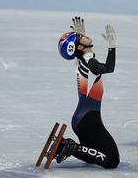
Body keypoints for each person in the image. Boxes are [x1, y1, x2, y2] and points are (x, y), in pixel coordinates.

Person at [56, 16, 119, 169]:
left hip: (81, 119)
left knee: (94, 156)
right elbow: (109, 68)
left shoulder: (81, 59)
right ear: (79, 47)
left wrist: (79, 37)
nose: (84, 36)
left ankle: (66, 145)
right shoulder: (91, 63)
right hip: (89, 120)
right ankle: (71, 147)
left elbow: (83, 53)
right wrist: (112, 46)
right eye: (80, 38)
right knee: (112, 160)